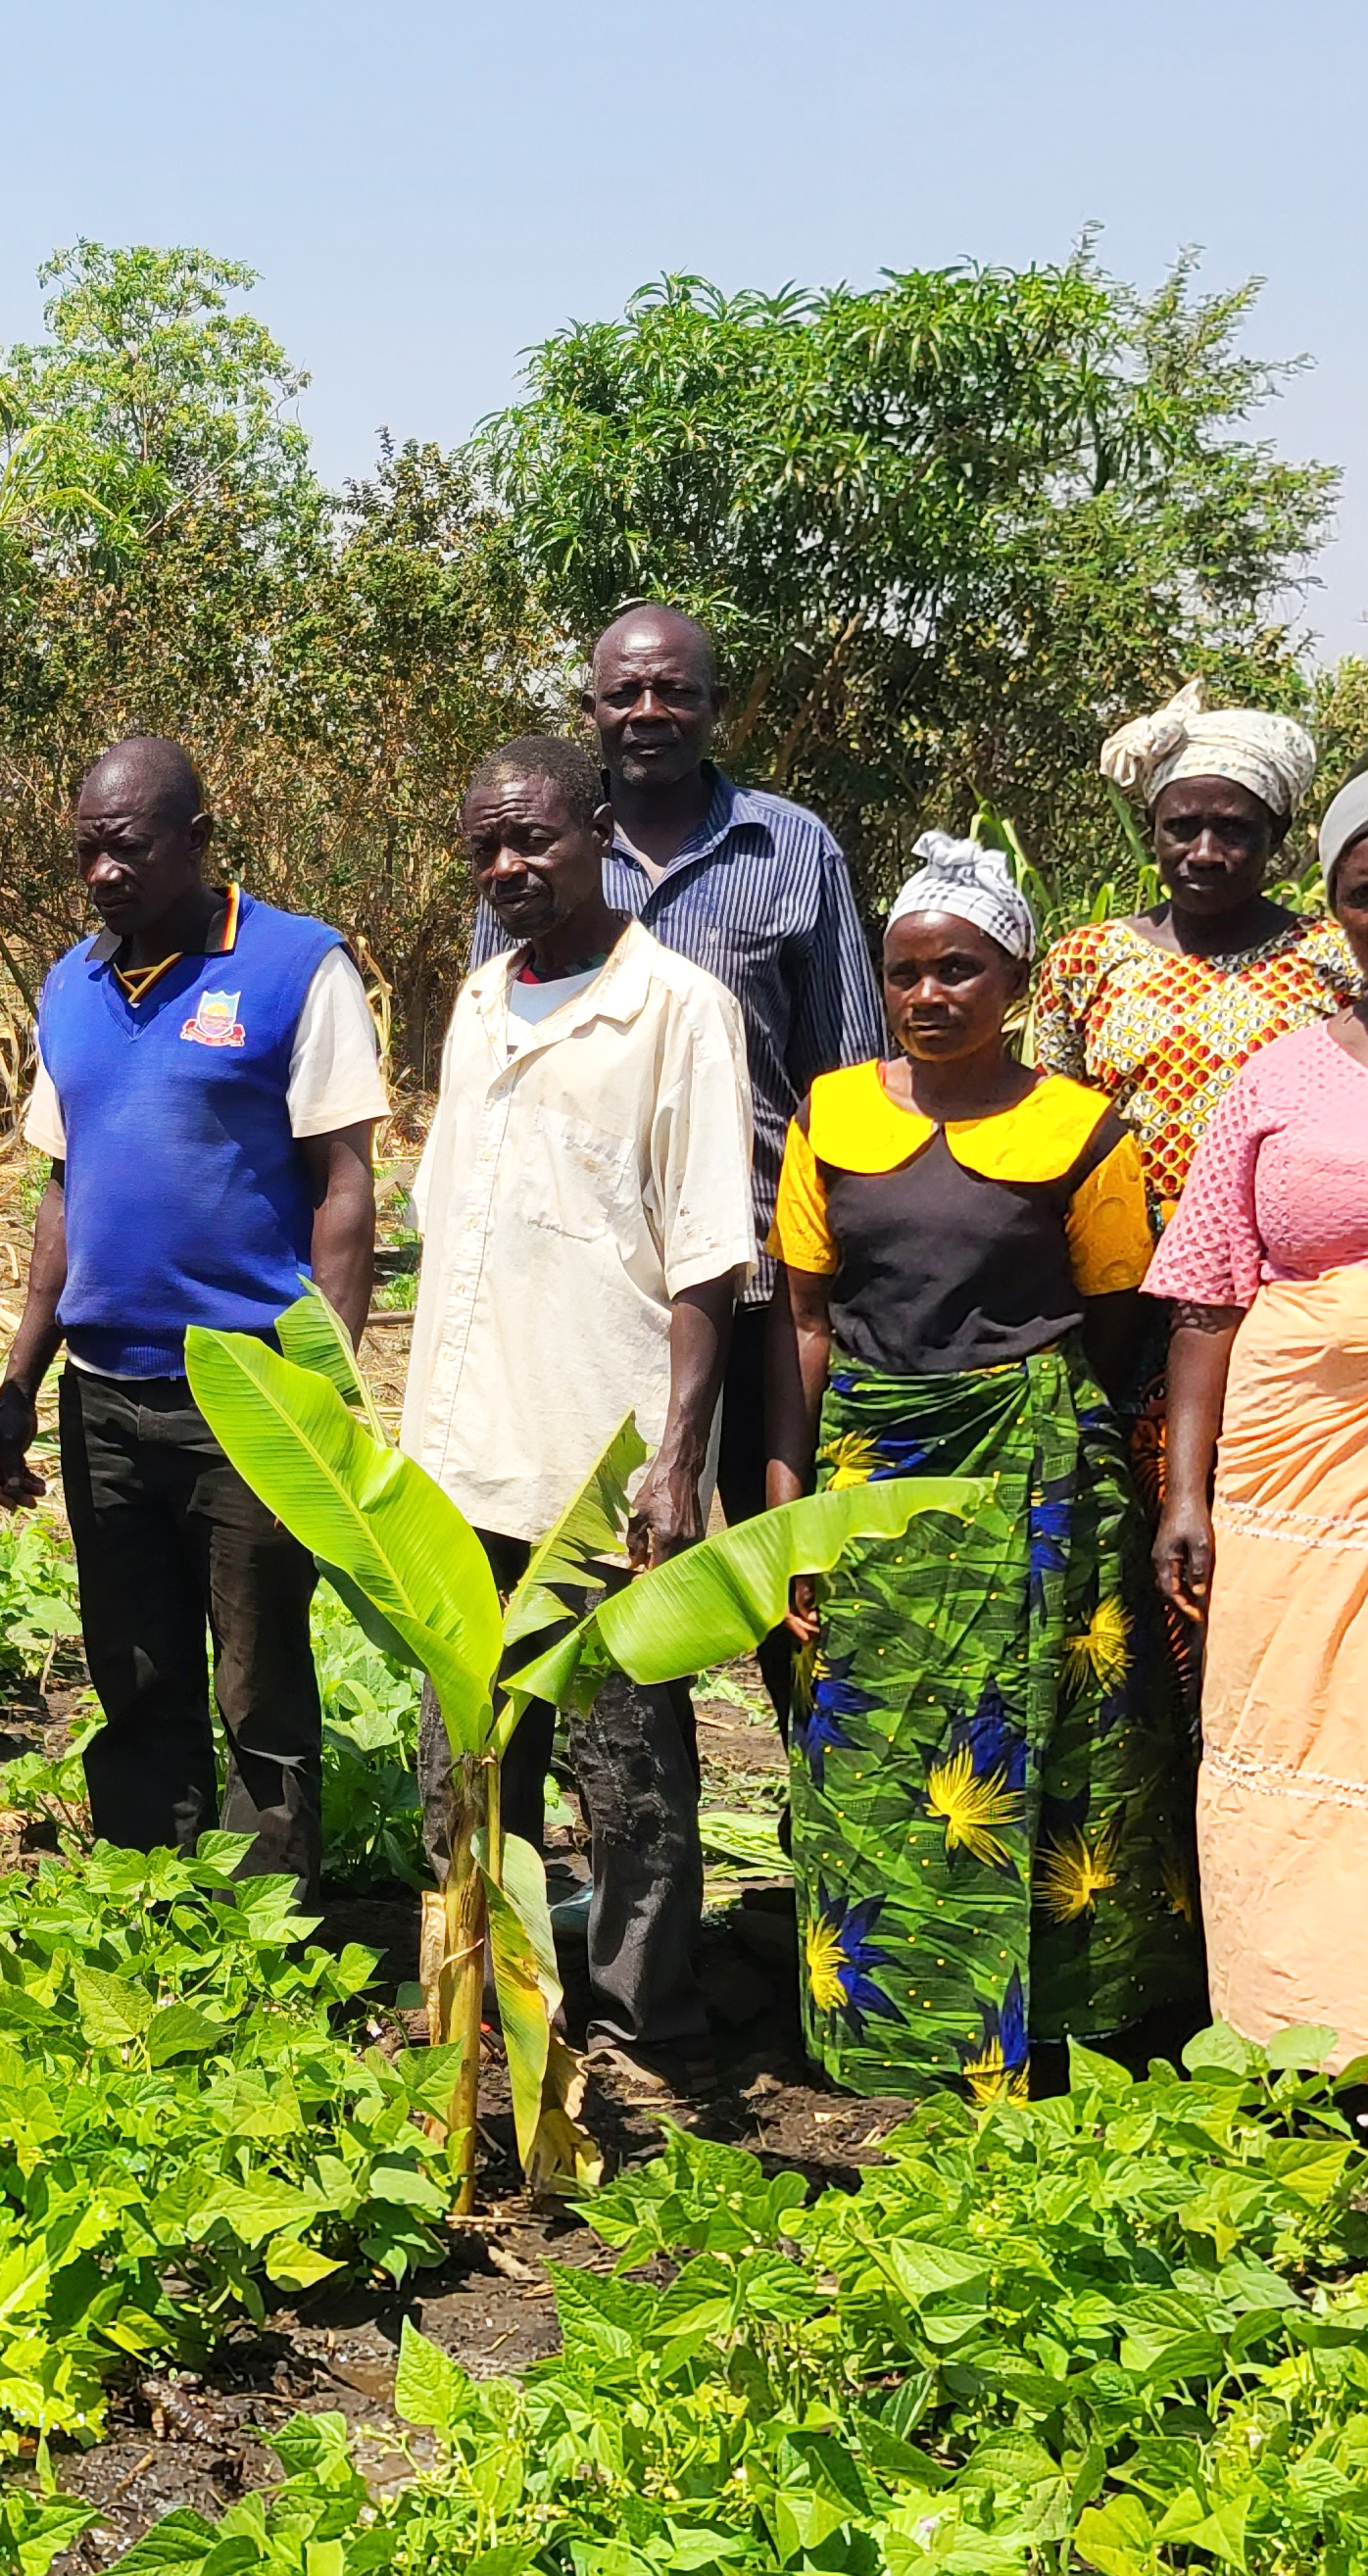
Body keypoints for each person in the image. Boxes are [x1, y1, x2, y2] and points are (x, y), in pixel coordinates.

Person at [760, 832, 1193, 2094]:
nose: (929, 995)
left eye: (959, 970)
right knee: (867, 1741)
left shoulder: (1081, 1132)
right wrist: (789, 1497)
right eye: (905, 974)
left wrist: (1036, 1420)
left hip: (1034, 1474)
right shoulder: (830, 1116)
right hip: (873, 1472)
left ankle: (1060, 2026)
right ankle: (887, 2020)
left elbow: (1116, 1318)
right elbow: (804, 1321)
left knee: (1050, 1742)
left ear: (1014, 984)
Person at [0, 739, 386, 1894]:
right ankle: (152, 1893)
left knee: (258, 1673)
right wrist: (19, 1384)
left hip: (250, 1393)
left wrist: (327, 1386)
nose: (104, 872)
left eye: (130, 845)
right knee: (136, 1665)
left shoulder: (298, 967)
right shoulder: (72, 984)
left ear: (198, 839)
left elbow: (345, 1189)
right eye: (87, 851)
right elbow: (64, 1192)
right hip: (104, 1391)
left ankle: (272, 1922)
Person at [408, 736, 755, 2049]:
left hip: (599, 1454)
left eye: (535, 840)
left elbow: (711, 1257)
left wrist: (678, 1454)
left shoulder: (675, 1009)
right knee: (467, 1751)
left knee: (627, 1765)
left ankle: (638, 2010)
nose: (509, 866)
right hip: (461, 1450)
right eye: (487, 846)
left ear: (599, 831)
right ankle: (477, 1987)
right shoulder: (477, 1002)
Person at [475, 606, 880, 1523]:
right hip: (577, 1281)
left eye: (674, 692)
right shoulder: (529, 853)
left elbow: (848, 1075)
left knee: (773, 1570)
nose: (647, 712)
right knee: (590, 1553)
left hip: (760, 1279)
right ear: (592, 710)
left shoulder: (792, 849)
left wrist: (848, 1269)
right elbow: (492, 1050)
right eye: (624, 694)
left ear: (716, 706)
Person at [1141, 770, 1368, 2049]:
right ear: (1335, 906)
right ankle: (1305, 2038)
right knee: (1288, 1730)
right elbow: (1205, 1294)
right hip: (1291, 1474)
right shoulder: (1280, 1075)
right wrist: (1186, 1493)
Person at [1033, 682, 1347, 1237]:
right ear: (1154, 831)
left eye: (1233, 830)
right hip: (1118, 1262)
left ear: (1275, 838)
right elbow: (1053, 1125)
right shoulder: (1086, 960)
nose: (1203, 854)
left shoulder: (1331, 957)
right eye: (1181, 828)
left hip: (1282, 1263)